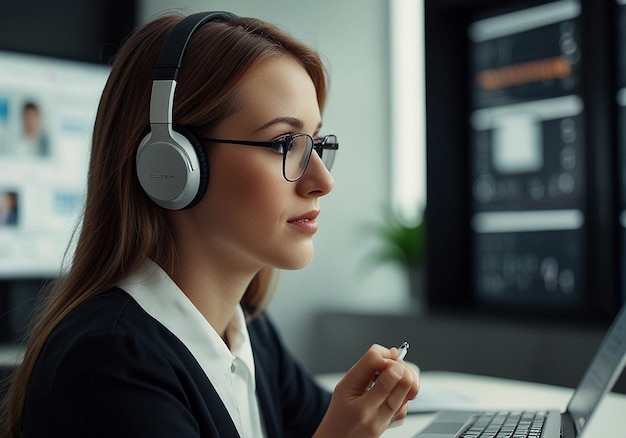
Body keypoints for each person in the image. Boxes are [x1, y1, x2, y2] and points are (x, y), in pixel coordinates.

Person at [1, 11, 419, 437]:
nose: (322, 182)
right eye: (283, 144)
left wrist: (372, 408)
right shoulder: (108, 362)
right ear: (171, 164)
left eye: (316, 144)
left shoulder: (247, 330)